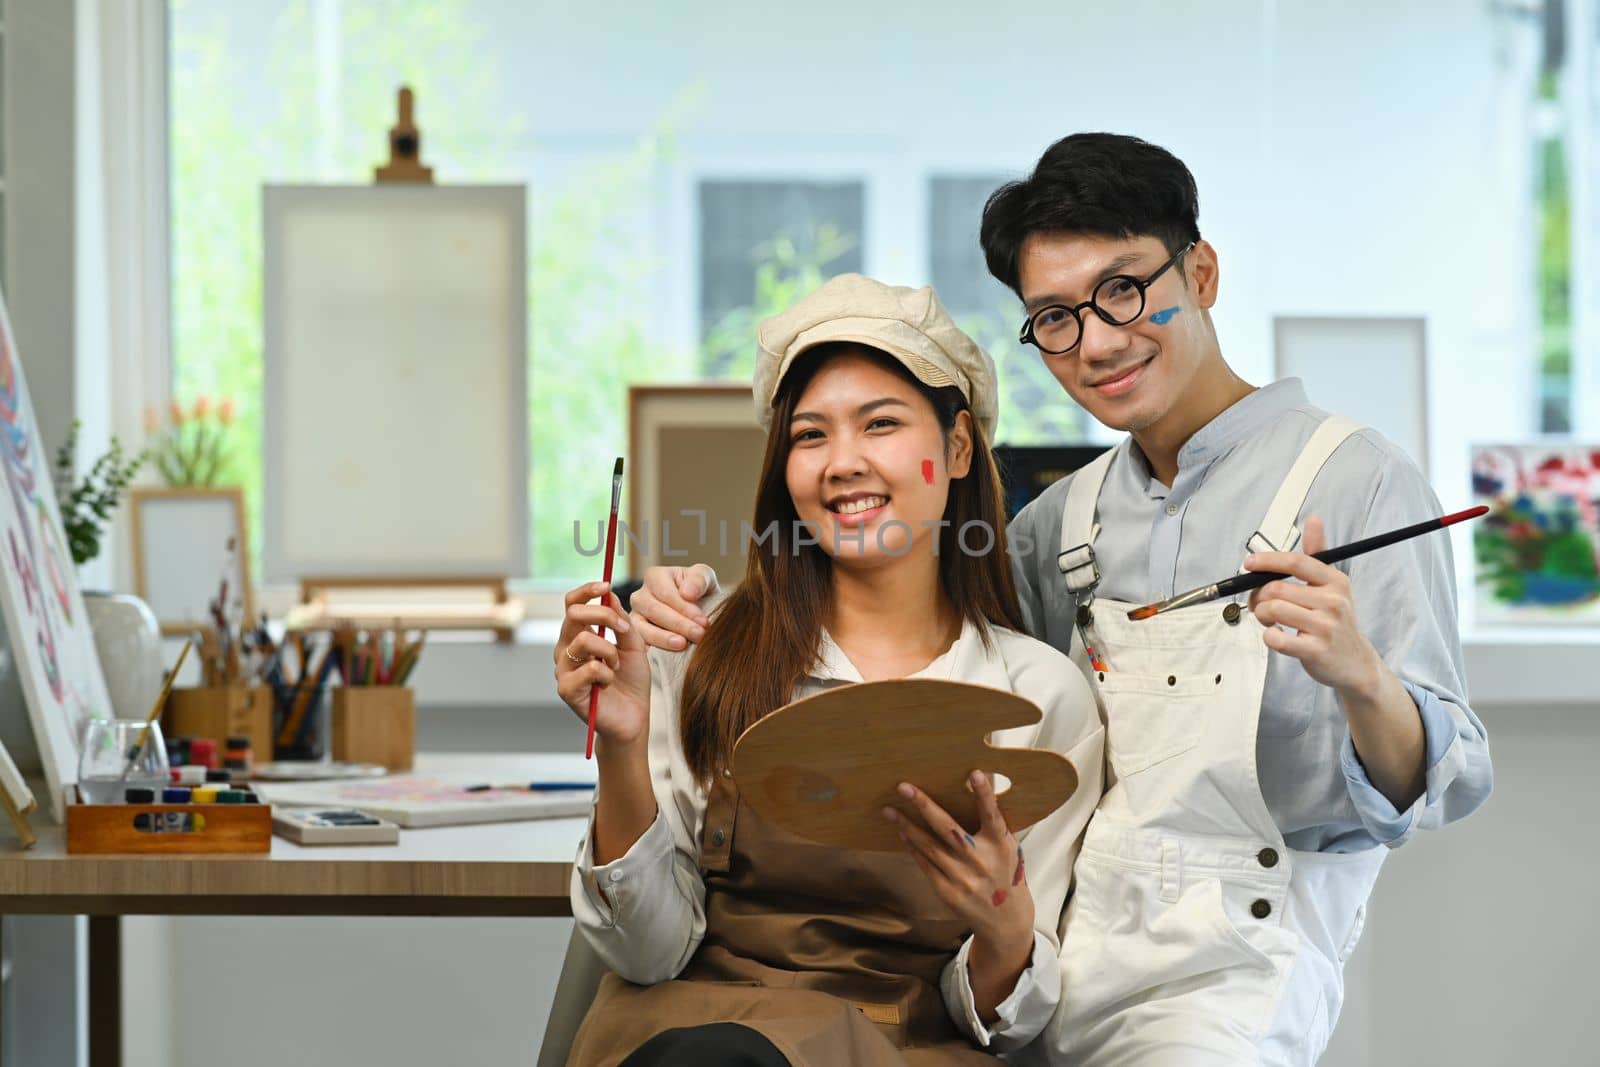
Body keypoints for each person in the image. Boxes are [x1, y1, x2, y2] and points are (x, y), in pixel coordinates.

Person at [628, 133, 1493, 1066]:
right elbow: (954, 677)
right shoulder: (1058, 525)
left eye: (1122, 289)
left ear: (1201, 271)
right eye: (1054, 317)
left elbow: (1444, 781)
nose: (1098, 342)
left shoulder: (1356, 482)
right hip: (1046, 962)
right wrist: (687, 609)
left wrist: (1359, 676)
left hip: (1224, 977)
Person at [554, 274, 1104, 1067]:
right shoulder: (701, 656)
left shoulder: (1035, 697)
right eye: (810, 436)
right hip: (680, 1037)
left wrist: (1004, 922)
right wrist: (621, 744)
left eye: (879, 424)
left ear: (954, 449)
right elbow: (647, 953)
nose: (842, 462)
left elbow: (1002, 1022)